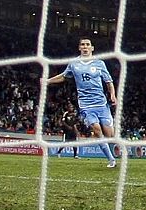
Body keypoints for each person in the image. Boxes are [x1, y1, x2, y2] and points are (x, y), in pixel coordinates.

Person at [44, 37, 118, 168]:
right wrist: (48, 81)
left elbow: (108, 81)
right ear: (79, 48)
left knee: (109, 134)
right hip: (86, 105)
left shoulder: (99, 63)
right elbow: (63, 76)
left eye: (87, 44)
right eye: (82, 45)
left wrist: (112, 94)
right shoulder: (74, 64)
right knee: (96, 129)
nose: (85, 47)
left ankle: (103, 139)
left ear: (92, 48)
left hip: (101, 104)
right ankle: (111, 159)